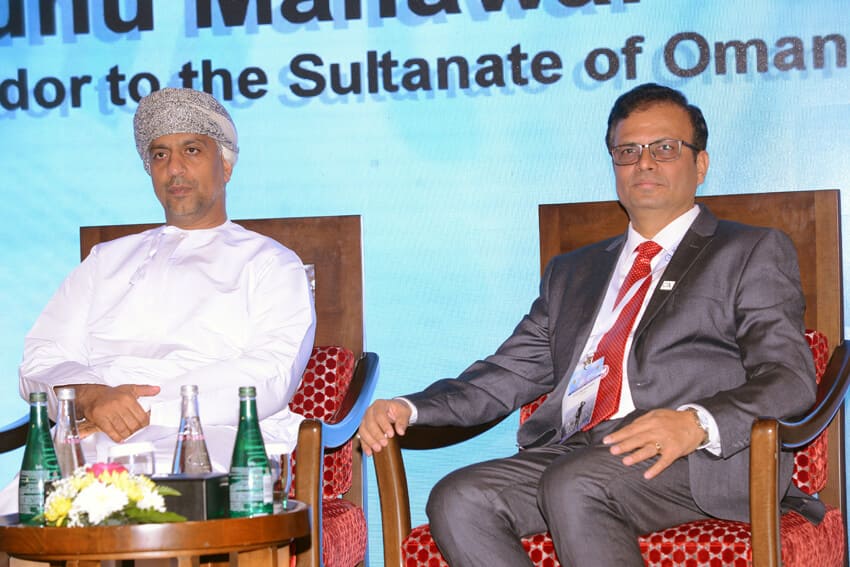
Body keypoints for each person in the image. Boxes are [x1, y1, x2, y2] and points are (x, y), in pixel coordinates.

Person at [358, 83, 824, 566]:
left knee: (575, 483)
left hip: (692, 459)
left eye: (665, 148)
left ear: (700, 164)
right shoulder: (572, 272)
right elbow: (507, 373)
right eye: (628, 151)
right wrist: (409, 407)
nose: (645, 163)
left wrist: (695, 423)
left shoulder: (749, 251)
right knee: (458, 498)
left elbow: (789, 378)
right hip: (579, 448)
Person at [9, 87, 315, 492]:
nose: (174, 169)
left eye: (192, 150)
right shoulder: (105, 260)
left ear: (225, 166)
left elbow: (270, 375)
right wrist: (89, 398)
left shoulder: (270, 263)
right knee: (27, 515)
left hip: (212, 440)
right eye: (160, 155)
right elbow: (41, 359)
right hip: (89, 437)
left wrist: (139, 409)